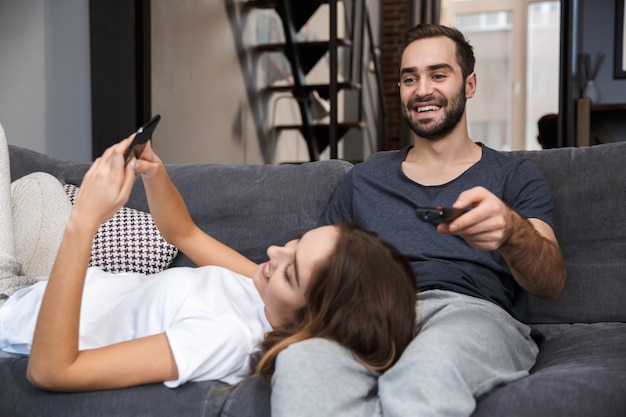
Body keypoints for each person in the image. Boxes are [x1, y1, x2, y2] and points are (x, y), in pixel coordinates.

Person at [270, 23, 567, 417]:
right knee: (299, 362)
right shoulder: (364, 179)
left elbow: (551, 283)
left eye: (439, 75)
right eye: (410, 78)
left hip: (469, 314)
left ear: (470, 84)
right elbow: (317, 272)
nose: (423, 89)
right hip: (372, 316)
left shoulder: (514, 175)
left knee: (427, 369)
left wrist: (513, 232)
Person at [0, 130, 418, 392]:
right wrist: (155, 173)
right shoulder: (262, 293)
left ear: (310, 323)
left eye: (290, 272)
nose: (274, 253)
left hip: (12, 312)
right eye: (296, 242)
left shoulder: (225, 338)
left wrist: (85, 222)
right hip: (37, 284)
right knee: (36, 185)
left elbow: (53, 370)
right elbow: (185, 234)